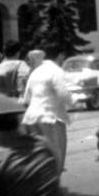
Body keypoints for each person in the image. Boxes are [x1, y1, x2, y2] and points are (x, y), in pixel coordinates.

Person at [21, 42, 73, 174]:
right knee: (57, 153)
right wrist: (72, 101)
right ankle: (53, 184)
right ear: (61, 56)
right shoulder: (56, 71)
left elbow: (27, 97)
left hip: (32, 117)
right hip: (51, 117)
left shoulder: (35, 72)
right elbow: (63, 93)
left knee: (39, 153)